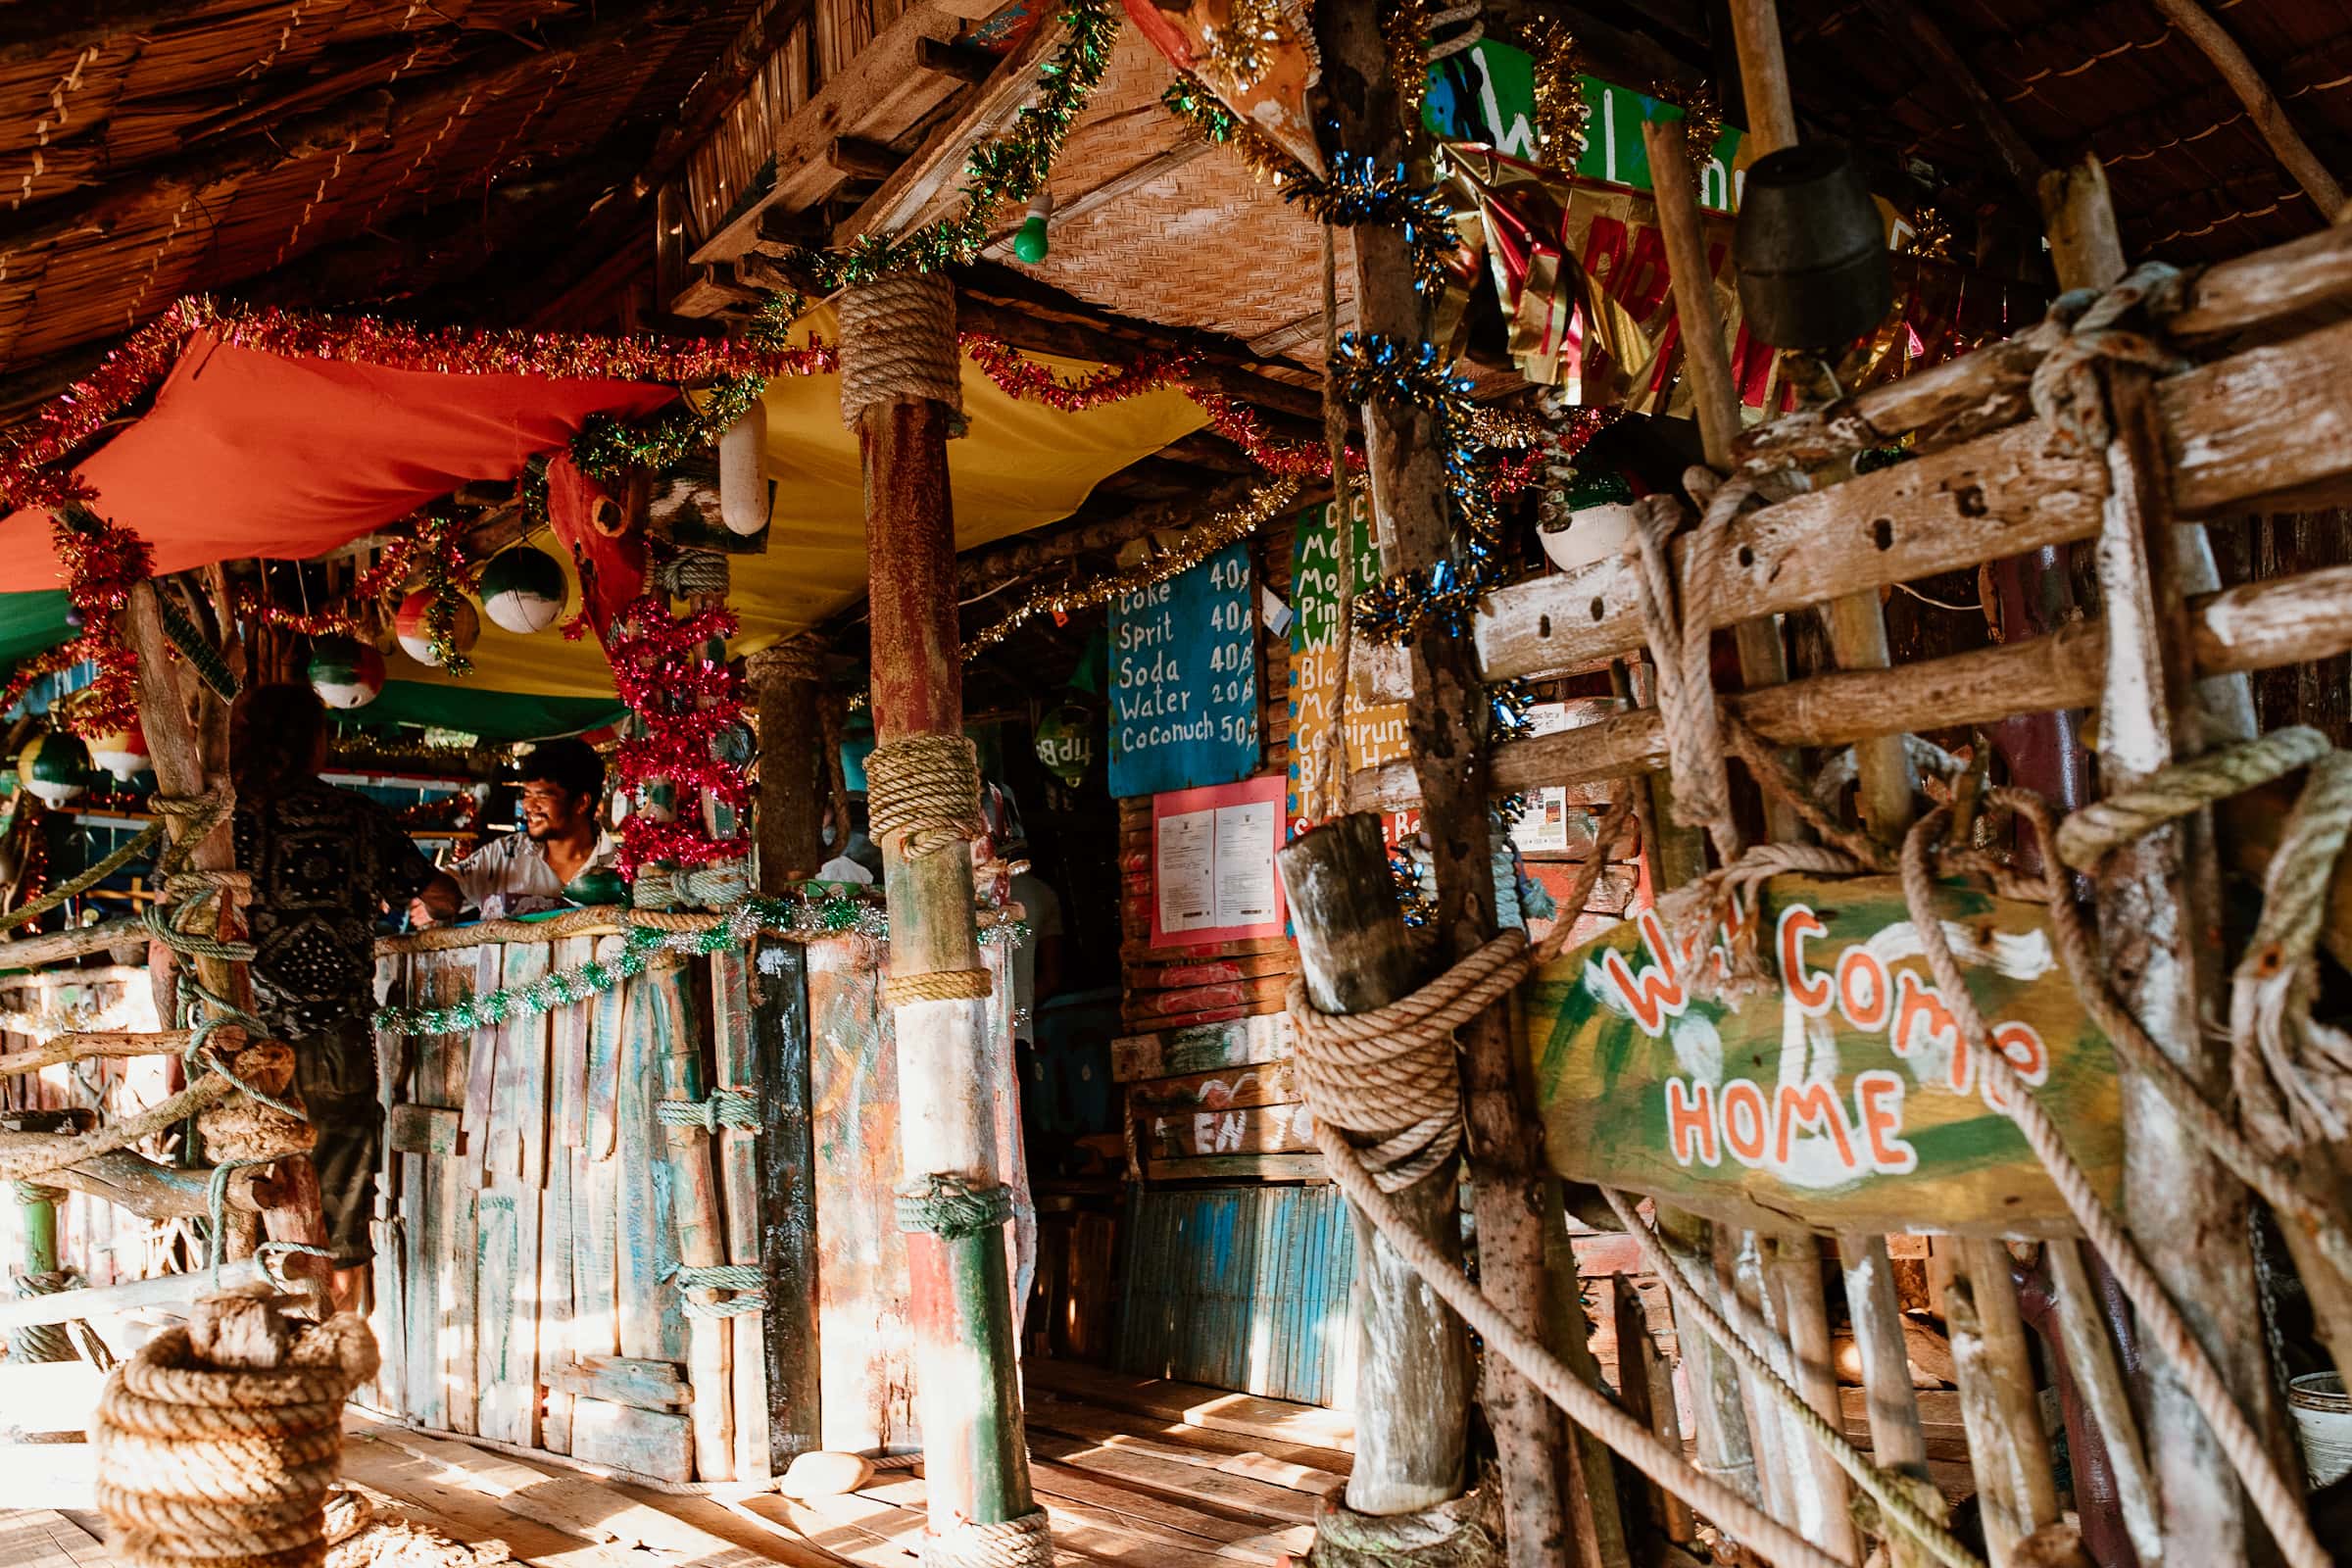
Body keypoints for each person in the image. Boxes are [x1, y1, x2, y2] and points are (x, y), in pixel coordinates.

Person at [231, 684, 461, 1279]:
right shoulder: (356, 817)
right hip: (333, 1035)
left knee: (245, 1182)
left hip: (240, 1036)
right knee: (339, 1192)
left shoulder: (227, 822)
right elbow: (440, 894)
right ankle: (334, 1327)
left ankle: (255, 1314)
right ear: (313, 741)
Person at [416, 737, 616, 923]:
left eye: (541, 795)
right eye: (526, 794)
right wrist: (418, 879)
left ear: (581, 803)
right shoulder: (503, 855)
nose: (528, 805)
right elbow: (447, 899)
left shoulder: (619, 867)